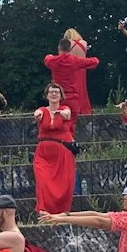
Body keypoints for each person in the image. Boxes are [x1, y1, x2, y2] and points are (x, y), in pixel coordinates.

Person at [32, 84, 78, 216]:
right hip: (43, 153)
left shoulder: (65, 109)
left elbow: (67, 115)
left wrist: (56, 112)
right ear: (47, 95)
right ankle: (43, 211)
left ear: (60, 95)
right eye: (51, 92)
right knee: (42, 180)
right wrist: (39, 114)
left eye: (56, 92)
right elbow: (37, 114)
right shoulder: (42, 109)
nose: (53, 94)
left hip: (62, 152)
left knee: (64, 183)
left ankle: (61, 213)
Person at [44, 36, 100, 118]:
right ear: (70, 49)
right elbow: (95, 61)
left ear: (59, 48)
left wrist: (50, 56)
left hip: (58, 98)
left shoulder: (53, 61)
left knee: (58, 124)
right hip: (73, 98)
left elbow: (47, 59)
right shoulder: (75, 60)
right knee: (72, 125)